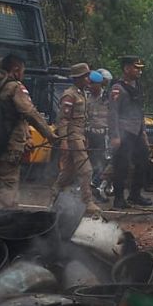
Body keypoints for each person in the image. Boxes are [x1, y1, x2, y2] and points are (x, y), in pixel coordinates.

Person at [0, 53, 58, 211]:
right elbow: (29, 113)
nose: (23, 74)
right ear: (16, 69)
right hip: (8, 148)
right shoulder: (14, 87)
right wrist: (49, 134)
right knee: (7, 190)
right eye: (22, 71)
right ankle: (0, 224)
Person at [50, 62, 98, 214]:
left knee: (68, 171)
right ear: (78, 78)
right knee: (86, 170)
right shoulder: (70, 95)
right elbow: (63, 119)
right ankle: (87, 201)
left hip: (79, 136)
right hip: (72, 136)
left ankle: (54, 197)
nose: (88, 79)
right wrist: (64, 140)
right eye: (85, 76)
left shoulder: (81, 93)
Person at [108, 55, 151, 209]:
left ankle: (135, 194)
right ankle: (119, 198)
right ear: (126, 69)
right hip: (124, 131)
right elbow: (113, 113)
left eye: (140, 68)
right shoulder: (117, 88)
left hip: (137, 131)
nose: (139, 71)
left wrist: (144, 132)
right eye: (136, 68)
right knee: (122, 165)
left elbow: (140, 110)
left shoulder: (138, 86)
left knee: (143, 161)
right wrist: (115, 136)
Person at [86, 69, 112, 201]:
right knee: (92, 162)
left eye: (92, 84)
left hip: (105, 136)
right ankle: (92, 187)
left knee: (104, 162)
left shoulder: (108, 97)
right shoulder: (86, 97)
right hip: (91, 135)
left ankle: (97, 187)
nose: (89, 86)